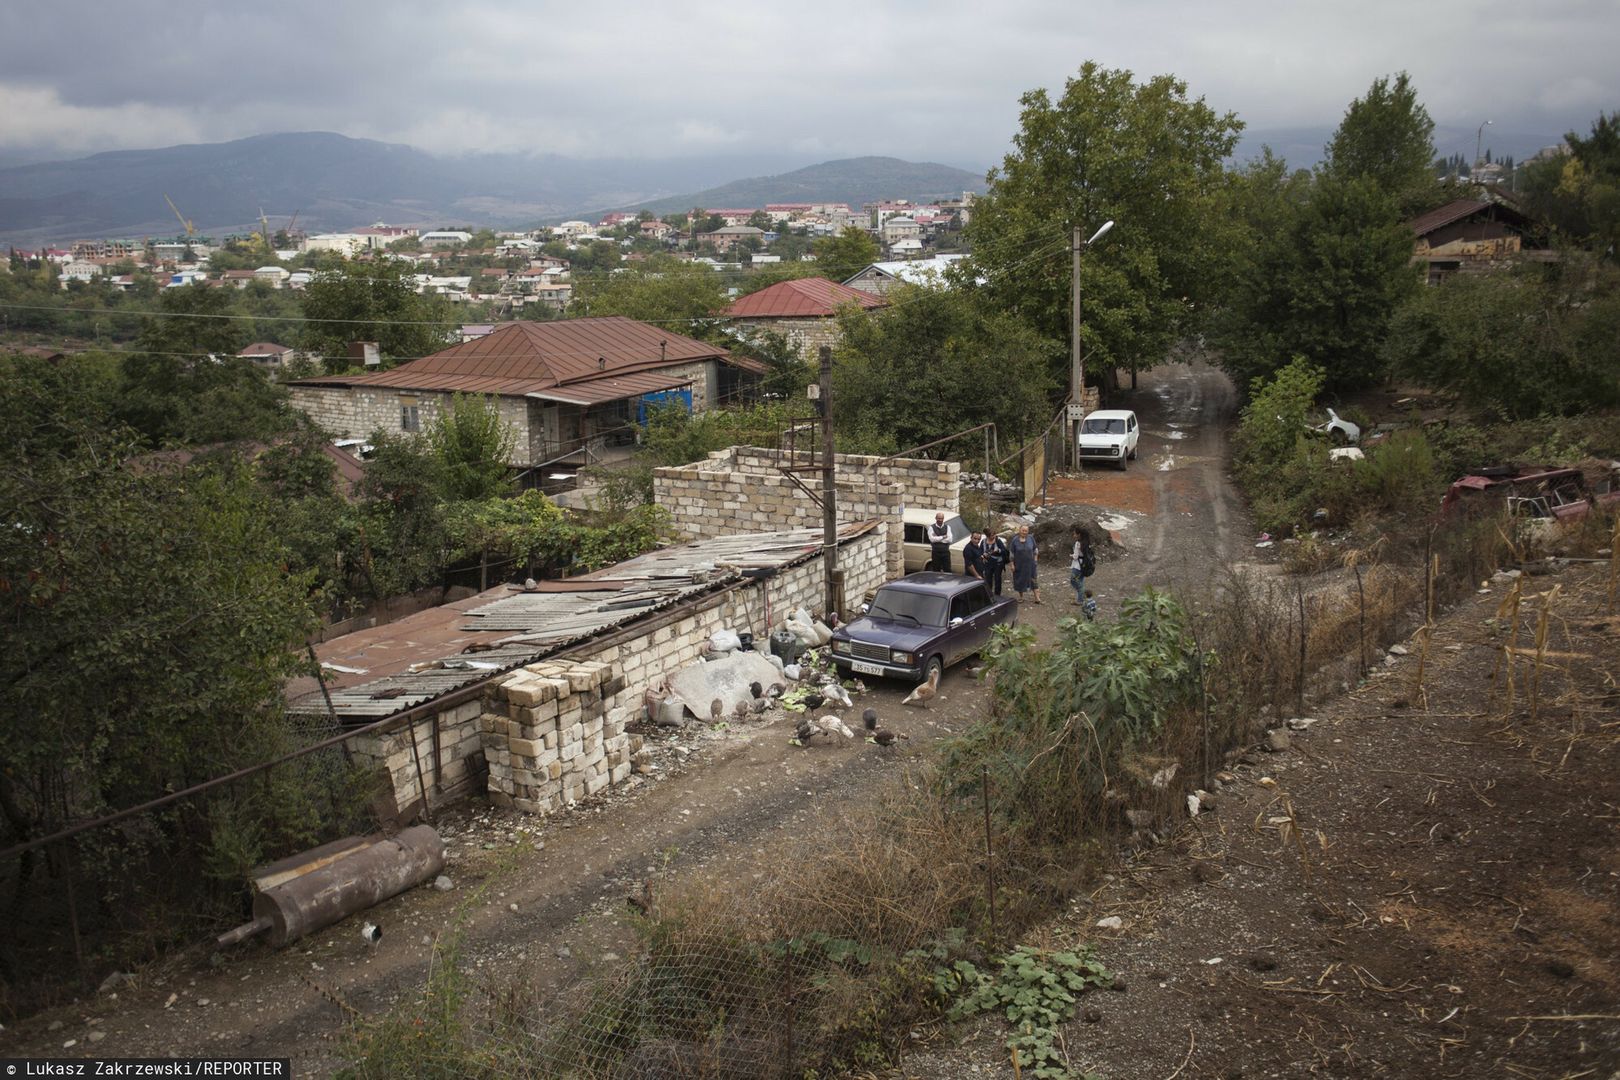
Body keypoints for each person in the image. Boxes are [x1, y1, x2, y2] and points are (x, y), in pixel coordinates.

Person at [1009, 523, 1040, 604]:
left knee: (1033, 579)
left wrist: (1035, 561)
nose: (1024, 532)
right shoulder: (1015, 540)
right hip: (1019, 564)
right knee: (1020, 580)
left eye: (1026, 531)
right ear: (1019, 530)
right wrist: (1012, 564)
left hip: (1030, 564)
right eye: (1023, 530)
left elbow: (1035, 550)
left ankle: (1037, 598)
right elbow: (1011, 553)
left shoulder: (1031, 538)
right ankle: (1021, 597)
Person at [1069, 524, 1094, 606]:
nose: (1074, 535)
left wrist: (1071, 555)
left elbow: (1075, 557)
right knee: (1081, 581)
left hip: (1077, 565)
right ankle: (1081, 598)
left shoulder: (1077, 543)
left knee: (1074, 581)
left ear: (1079, 534)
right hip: (1084, 565)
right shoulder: (1087, 542)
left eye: (1075, 534)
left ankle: (1081, 598)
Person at [983, 531, 1009, 595]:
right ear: (987, 536)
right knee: (988, 579)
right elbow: (981, 550)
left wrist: (998, 550)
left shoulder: (998, 541)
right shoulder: (983, 541)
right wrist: (983, 556)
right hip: (988, 563)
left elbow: (1004, 550)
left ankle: (997, 594)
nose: (993, 536)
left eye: (994, 534)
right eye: (992, 535)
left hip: (998, 563)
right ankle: (989, 594)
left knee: (997, 579)